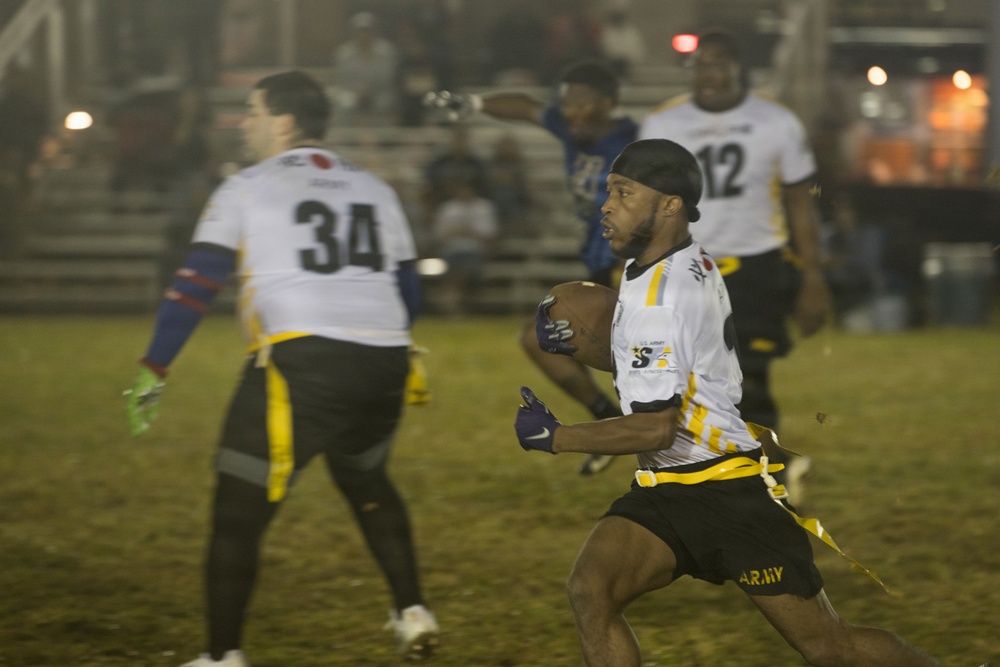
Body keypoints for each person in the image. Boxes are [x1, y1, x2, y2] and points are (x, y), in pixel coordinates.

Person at [514, 138, 946, 667]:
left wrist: (554, 436)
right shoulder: (666, 262)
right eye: (610, 191)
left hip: (728, 492)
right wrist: (606, 344)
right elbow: (673, 362)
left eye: (624, 192)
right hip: (667, 489)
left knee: (829, 647)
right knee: (591, 591)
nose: (608, 204)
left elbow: (654, 431)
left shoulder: (659, 296)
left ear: (670, 203)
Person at [123, 70, 437, 666]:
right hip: (386, 361)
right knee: (366, 480)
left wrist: (154, 366)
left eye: (252, 110)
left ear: (285, 121)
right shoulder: (373, 187)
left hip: (302, 361)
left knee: (236, 514)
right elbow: (406, 288)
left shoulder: (244, 186)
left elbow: (194, 285)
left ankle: (222, 657)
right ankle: (414, 611)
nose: (243, 122)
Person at [638, 29, 830, 503]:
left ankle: (770, 482)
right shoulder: (665, 122)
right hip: (684, 268)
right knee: (686, 382)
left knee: (751, 377)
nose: (710, 71)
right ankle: (736, 472)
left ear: (738, 68)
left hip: (755, 266)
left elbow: (800, 203)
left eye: (720, 61)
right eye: (700, 63)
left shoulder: (775, 121)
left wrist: (812, 276)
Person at [424, 59, 638, 475]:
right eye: (566, 101)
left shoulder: (633, 141)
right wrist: (473, 103)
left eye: (581, 102)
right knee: (539, 339)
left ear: (608, 104)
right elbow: (524, 107)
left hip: (633, 269)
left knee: (647, 365)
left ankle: (695, 447)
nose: (569, 111)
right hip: (597, 265)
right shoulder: (570, 127)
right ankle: (610, 420)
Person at [332, 11, 399, 127]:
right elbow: (343, 80)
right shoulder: (344, 54)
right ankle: (346, 140)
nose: (364, 35)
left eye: (367, 30)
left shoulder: (386, 52)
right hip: (353, 93)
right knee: (344, 104)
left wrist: (370, 89)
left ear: (374, 31)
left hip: (380, 92)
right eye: (361, 31)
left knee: (384, 104)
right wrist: (357, 89)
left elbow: (388, 78)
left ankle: (381, 139)